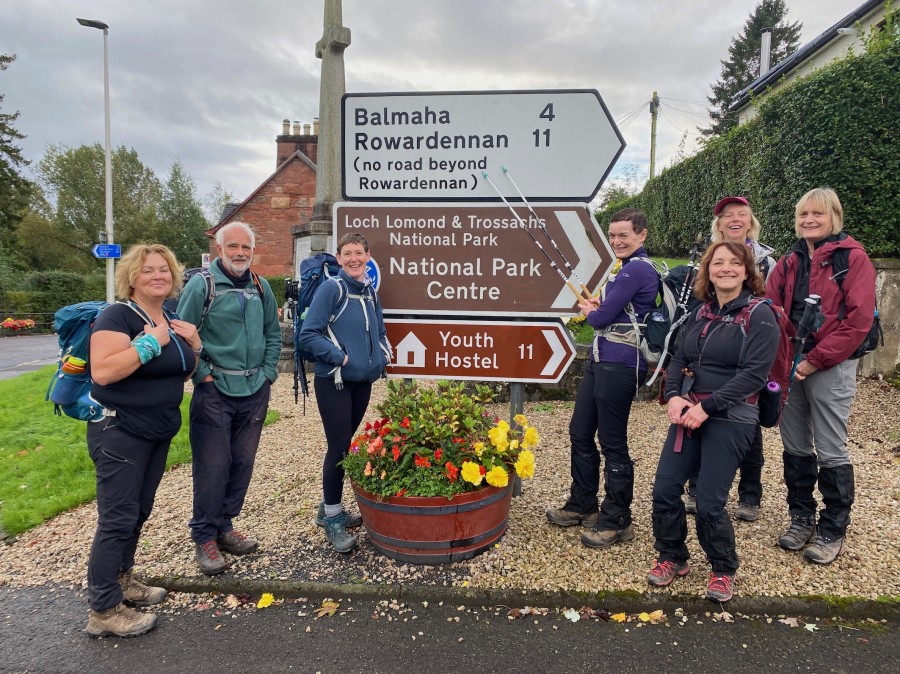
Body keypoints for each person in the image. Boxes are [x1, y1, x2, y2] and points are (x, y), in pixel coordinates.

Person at [648, 241, 779, 602]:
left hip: (732, 416)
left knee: (708, 501)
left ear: (747, 270)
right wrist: (673, 395)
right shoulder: (701, 312)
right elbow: (679, 358)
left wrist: (708, 407)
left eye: (734, 263)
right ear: (707, 271)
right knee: (664, 490)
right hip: (689, 411)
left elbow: (755, 374)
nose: (725, 268)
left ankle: (723, 567)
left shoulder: (761, 315)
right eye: (717, 263)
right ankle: (672, 555)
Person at [85, 244, 201, 637]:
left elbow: (178, 371)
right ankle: (103, 609)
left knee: (138, 511)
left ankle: (122, 580)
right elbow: (102, 372)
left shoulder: (168, 316)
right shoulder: (117, 316)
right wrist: (150, 343)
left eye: (164, 270)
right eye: (148, 270)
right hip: (120, 431)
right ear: (132, 277)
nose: (158, 276)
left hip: (155, 432)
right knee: (117, 518)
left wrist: (195, 346)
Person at [765, 188, 876, 565]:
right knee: (794, 443)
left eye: (817, 214)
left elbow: (858, 322)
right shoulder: (790, 260)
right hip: (790, 363)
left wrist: (813, 360)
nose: (809, 220)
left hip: (830, 363)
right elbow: (772, 309)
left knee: (830, 446)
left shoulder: (852, 259)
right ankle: (801, 517)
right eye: (803, 215)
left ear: (834, 217)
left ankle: (832, 527)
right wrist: (781, 359)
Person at [545, 208, 660, 549]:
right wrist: (602, 305)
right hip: (601, 359)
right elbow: (615, 310)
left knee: (612, 442)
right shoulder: (625, 271)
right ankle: (582, 502)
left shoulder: (637, 268)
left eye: (624, 235)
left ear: (642, 235)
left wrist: (591, 311)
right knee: (579, 431)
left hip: (621, 363)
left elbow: (600, 319)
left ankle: (617, 519)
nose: (616, 241)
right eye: (612, 235)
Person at [177, 221, 281, 575]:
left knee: (241, 463)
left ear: (253, 251)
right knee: (213, 466)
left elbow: (272, 334)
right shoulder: (201, 285)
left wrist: (268, 373)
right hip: (215, 392)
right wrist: (203, 373)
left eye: (246, 248)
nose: (240, 253)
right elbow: (182, 335)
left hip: (254, 391)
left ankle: (224, 526)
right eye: (232, 247)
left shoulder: (260, 286)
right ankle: (204, 535)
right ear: (219, 250)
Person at [684, 196, 777, 522]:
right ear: (719, 224)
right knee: (699, 417)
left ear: (751, 221)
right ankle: (697, 487)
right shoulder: (709, 259)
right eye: (728, 216)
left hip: (748, 353)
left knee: (748, 426)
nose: (735, 220)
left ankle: (749, 495)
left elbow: (771, 306)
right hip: (711, 352)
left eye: (742, 214)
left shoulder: (766, 260)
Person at [299, 232, 391, 553]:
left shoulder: (369, 292)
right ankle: (333, 519)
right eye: (347, 253)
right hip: (334, 381)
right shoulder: (331, 288)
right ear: (339, 258)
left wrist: (381, 356)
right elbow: (308, 335)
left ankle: (329, 507)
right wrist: (341, 357)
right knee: (338, 448)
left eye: (359, 253)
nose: (353, 258)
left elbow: (379, 330)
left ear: (368, 256)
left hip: (361, 381)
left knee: (344, 445)